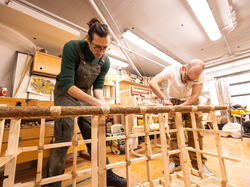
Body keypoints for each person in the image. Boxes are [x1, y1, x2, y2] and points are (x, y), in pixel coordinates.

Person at [43, 18, 127, 187]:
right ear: (88, 40)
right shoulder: (72, 47)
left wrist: (103, 105)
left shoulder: (105, 61)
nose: (100, 51)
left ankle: (107, 173)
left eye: (105, 47)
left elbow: (97, 88)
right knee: (64, 135)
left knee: (95, 134)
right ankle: (51, 183)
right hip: (66, 93)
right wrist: (95, 103)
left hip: (87, 94)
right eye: (97, 46)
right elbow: (67, 84)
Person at [149, 59, 215, 176]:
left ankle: (198, 164)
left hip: (191, 102)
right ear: (183, 68)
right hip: (174, 101)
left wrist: (181, 107)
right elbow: (153, 82)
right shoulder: (171, 70)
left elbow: (195, 95)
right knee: (174, 134)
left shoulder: (200, 76)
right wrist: (164, 98)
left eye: (192, 80)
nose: (188, 82)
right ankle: (175, 162)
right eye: (187, 78)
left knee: (196, 134)